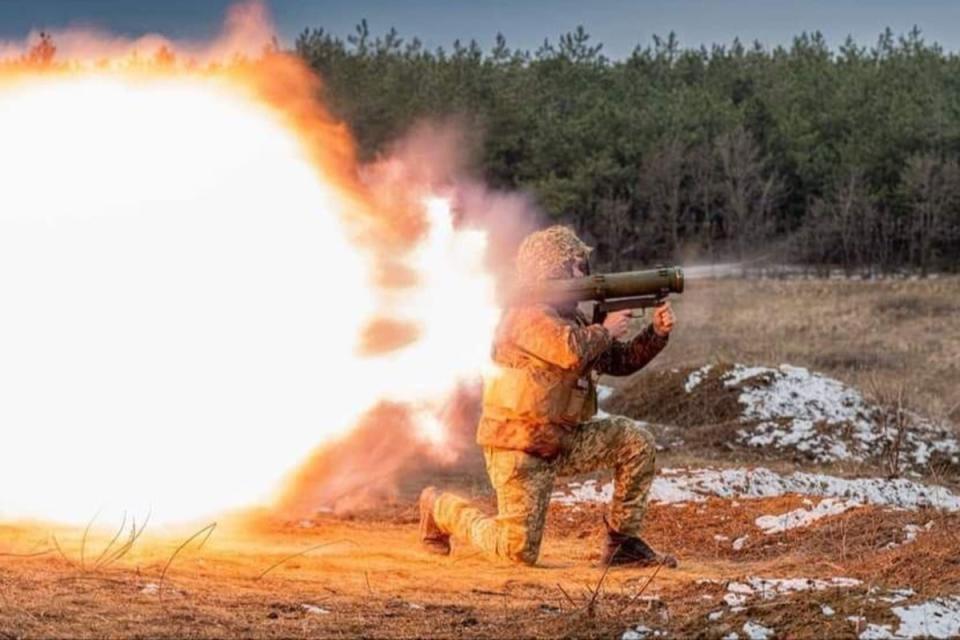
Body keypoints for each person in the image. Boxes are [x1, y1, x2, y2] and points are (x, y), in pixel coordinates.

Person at [419, 225, 677, 567]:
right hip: (520, 447)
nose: (584, 272)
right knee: (517, 552)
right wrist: (605, 329)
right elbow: (568, 350)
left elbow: (618, 360)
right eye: (575, 265)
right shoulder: (525, 315)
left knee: (635, 441)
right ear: (552, 268)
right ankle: (440, 508)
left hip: (562, 438)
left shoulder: (570, 318)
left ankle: (622, 544)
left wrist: (656, 333)